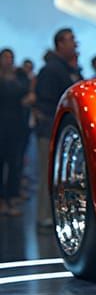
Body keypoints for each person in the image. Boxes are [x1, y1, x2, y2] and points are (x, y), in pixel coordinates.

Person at [34, 28, 82, 229]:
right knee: (47, 174)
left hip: (64, 132)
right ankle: (43, 216)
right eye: (71, 40)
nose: (75, 43)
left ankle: (57, 217)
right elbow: (44, 103)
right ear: (59, 44)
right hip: (49, 131)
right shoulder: (51, 70)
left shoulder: (71, 69)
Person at [0, 49, 31, 216]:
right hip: (3, 126)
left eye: (10, 58)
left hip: (16, 126)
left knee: (14, 163)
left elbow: (26, 93)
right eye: (5, 57)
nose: (8, 61)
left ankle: (11, 197)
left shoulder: (17, 78)